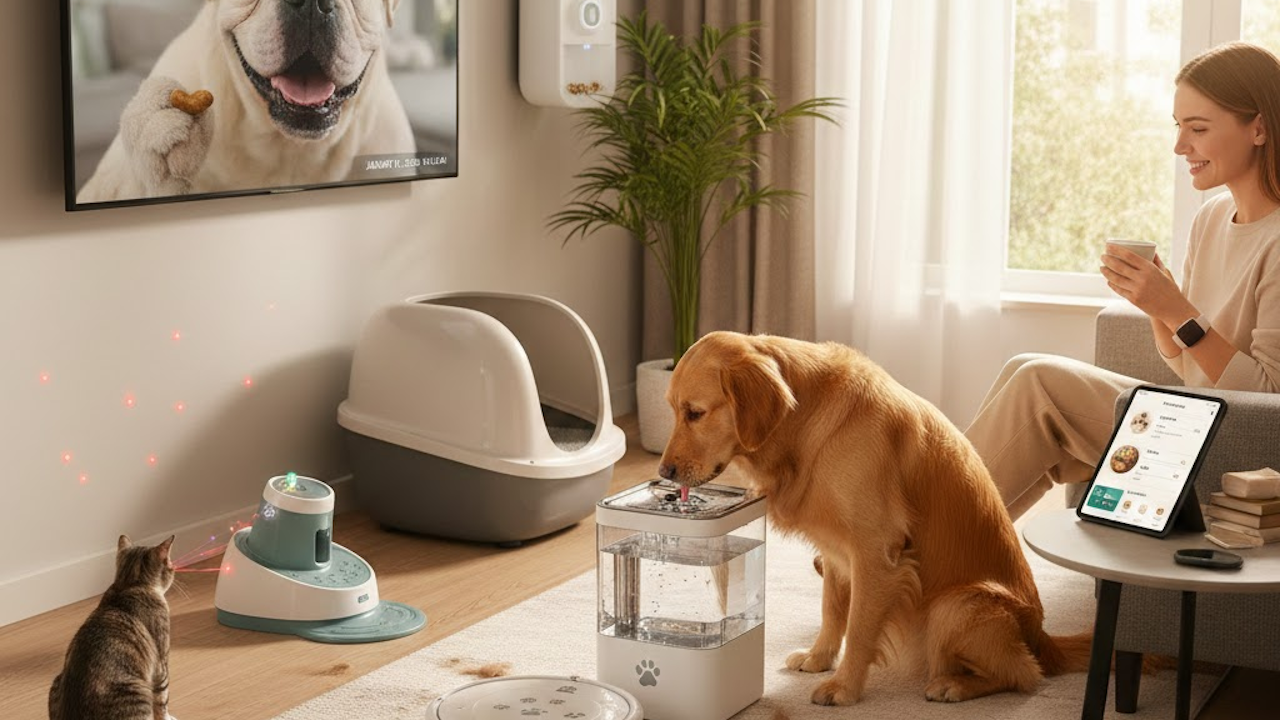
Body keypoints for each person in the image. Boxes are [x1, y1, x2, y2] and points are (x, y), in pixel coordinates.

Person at [965, 41, 1280, 520]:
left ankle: (897, 542)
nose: (1180, 147)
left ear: (1258, 127)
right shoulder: (1212, 218)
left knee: (1038, 383)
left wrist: (1176, 309)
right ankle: (925, 552)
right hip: (1194, 418)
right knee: (1026, 370)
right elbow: (1186, 367)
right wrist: (1157, 304)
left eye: (1197, 128)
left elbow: (1267, 397)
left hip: (1242, 448)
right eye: (1178, 127)